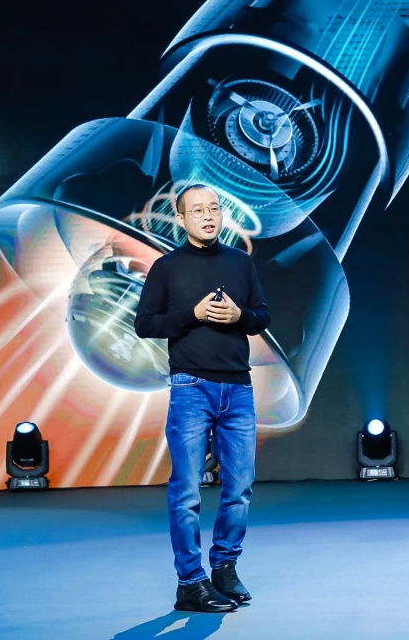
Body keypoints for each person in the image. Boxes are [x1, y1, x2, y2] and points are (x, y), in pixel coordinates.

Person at [134, 184, 270, 613]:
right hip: (191, 388)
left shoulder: (241, 263)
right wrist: (191, 315)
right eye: (198, 210)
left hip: (239, 389)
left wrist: (240, 316)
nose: (208, 216)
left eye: (214, 209)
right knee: (187, 490)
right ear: (180, 218)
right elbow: (145, 324)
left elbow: (262, 316)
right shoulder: (166, 267)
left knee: (240, 486)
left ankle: (224, 568)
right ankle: (190, 582)